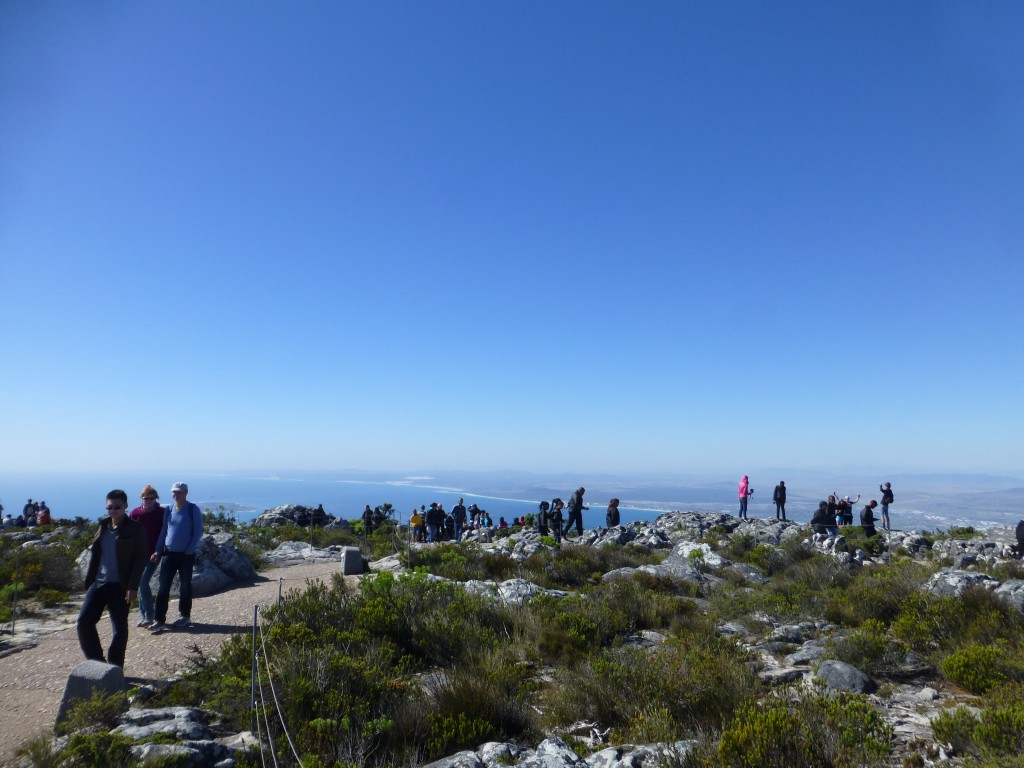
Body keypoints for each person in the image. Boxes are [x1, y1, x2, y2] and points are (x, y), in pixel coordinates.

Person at [77, 489, 148, 667]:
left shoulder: (135, 528)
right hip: (98, 583)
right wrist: (90, 580)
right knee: (84, 622)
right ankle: (98, 664)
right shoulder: (103, 526)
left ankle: (115, 667)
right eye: (109, 507)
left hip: (120, 586)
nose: (113, 510)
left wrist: (133, 586)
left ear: (125, 506)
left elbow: (140, 559)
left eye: (117, 507)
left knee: (119, 630)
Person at [151, 482, 203, 632]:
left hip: (186, 555)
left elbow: (198, 531)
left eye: (179, 492)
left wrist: (190, 549)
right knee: (163, 588)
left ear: (186, 493)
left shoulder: (192, 509)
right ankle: (159, 619)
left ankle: (184, 616)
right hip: (169, 554)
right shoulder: (169, 509)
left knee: (185, 586)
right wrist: (158, 551)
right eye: (174, 492)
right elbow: (164, 531)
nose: (176, 495)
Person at [129, 485, 165, 628]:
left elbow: (165, 532)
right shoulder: (135, 513)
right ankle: (143, 615)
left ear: (155, 498)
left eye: (152, 498)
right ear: (141, 498)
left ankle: (150, 615)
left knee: (143, 583)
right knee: (139, 585)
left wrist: (159, 551)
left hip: (153, 554)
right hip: (137, 555)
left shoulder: (161, 512)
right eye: (146, 498)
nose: (149, 501)